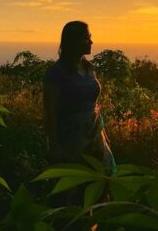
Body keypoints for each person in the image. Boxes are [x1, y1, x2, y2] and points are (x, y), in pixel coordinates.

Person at [43, 21, 115, 171]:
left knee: (102, 181)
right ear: (73, 42)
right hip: (70, 139)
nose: (91, 42)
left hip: (94, 136)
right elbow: (50, 112)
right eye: (86, 38)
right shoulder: (56, 73)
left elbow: (92, 104)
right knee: (75, 185)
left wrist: (103, 134)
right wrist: (54, 145)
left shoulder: (89, 68)